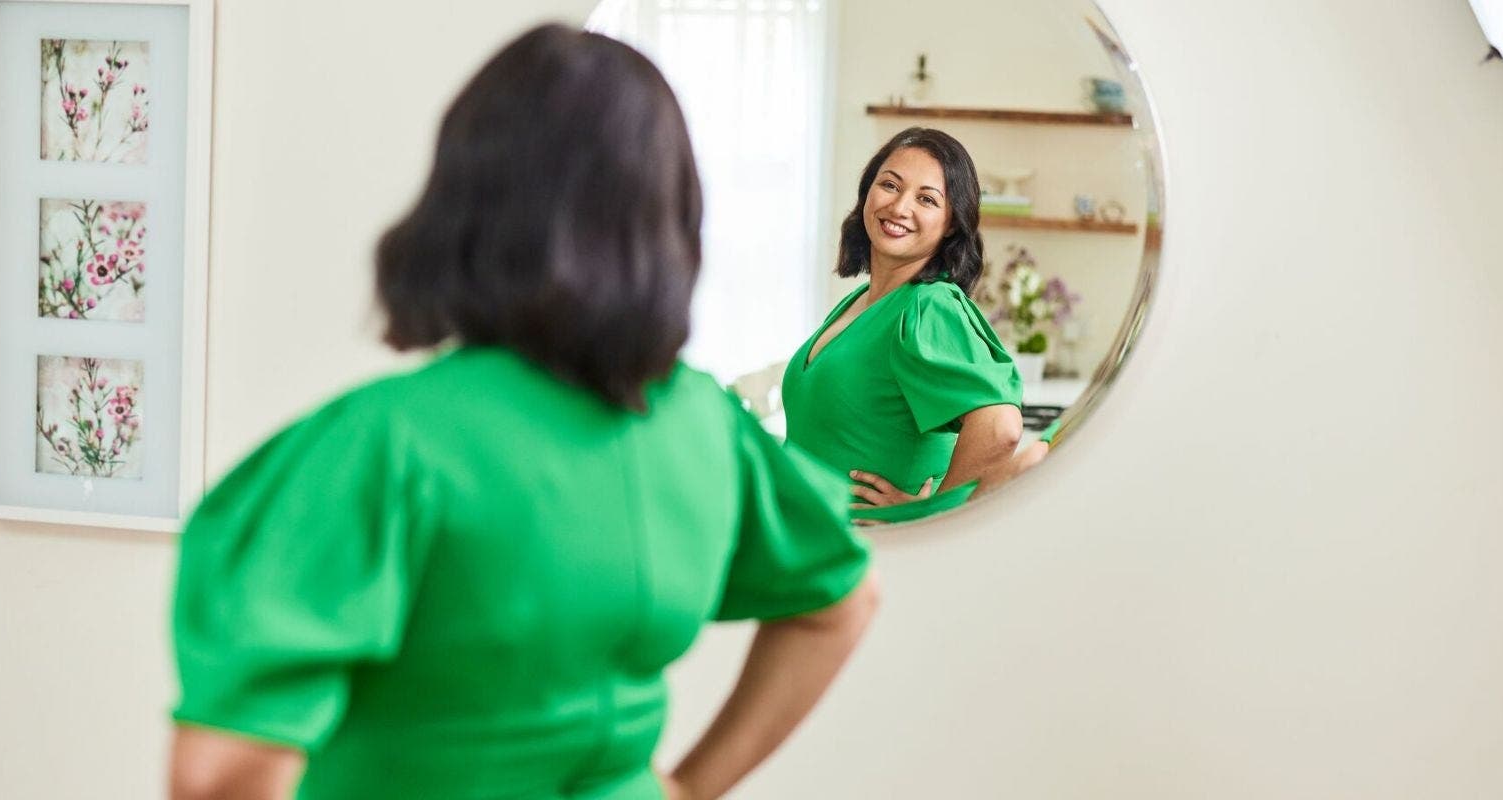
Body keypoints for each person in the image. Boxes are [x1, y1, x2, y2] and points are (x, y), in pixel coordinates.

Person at [167, 24, 877, 800]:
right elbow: (840, 603)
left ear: (465, 197)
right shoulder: (704, 426)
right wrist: (688, 789)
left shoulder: (386, 443)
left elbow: (221, 774)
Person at [781, 127, 1043, 524]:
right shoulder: (862, 302)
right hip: (808, 539)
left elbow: (999, 428)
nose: (900, 207)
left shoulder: (928, 305)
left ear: (952, 223)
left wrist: (931, 517)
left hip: (867, 553)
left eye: (926, 199)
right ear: (867, 192)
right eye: (889, 185)